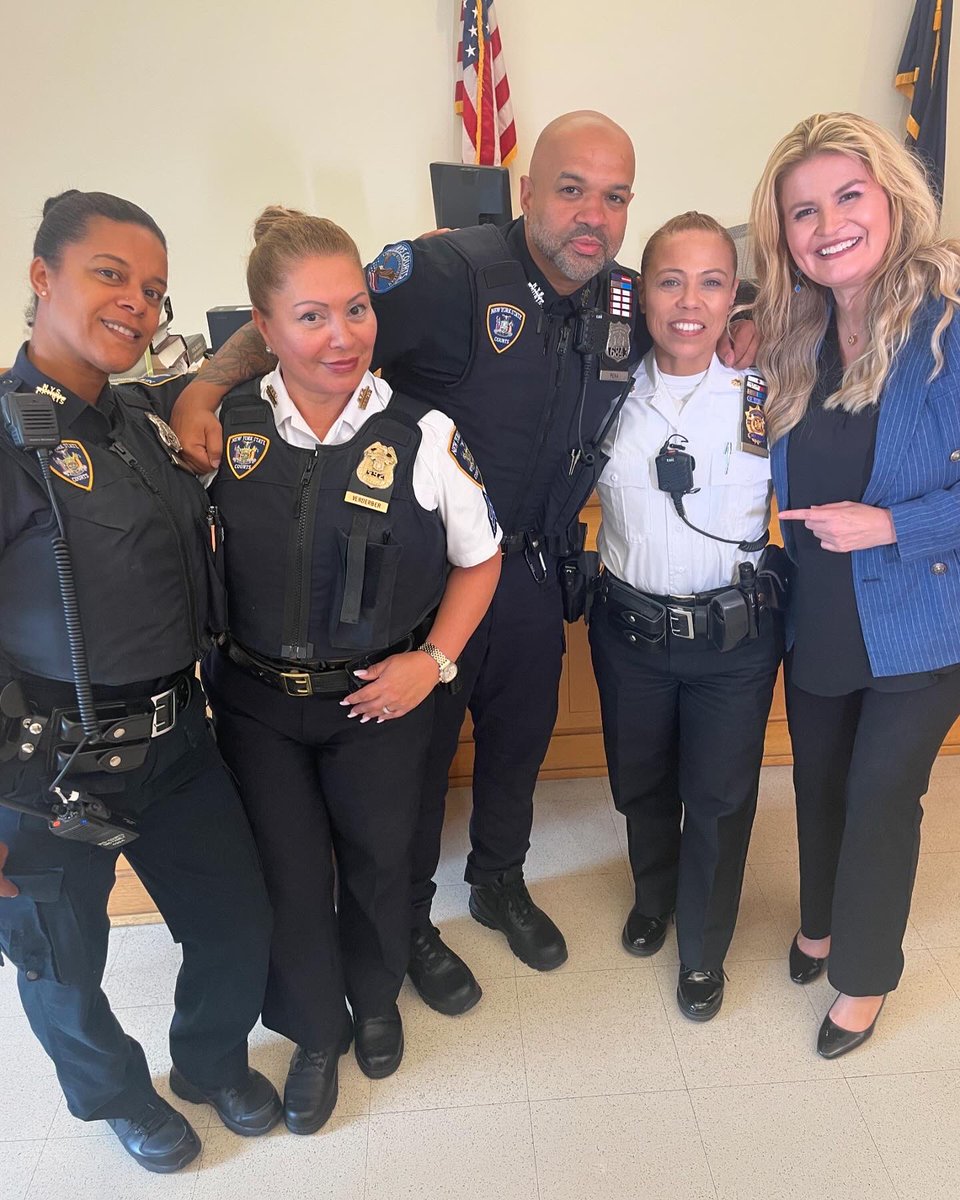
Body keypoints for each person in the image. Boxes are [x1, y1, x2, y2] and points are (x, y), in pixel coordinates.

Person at [171, 111, 757, 1018]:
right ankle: (406, 923)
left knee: (517, 750)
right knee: (414, 764)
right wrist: (208, 385)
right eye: (571, 190)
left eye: (614, 197)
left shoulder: (623, 298)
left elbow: (703, 312)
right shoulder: (448, 273)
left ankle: (498, 882)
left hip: (535, 572)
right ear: (528, 192)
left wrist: (742, 335)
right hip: (430, 579)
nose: (591, 216)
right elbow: (309, 312)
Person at [199, 208, 501, 1133]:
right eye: (312, 316)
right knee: (289, 874)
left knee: (379, 860)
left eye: (357, 309)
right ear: (264, 326)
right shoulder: (221, 429)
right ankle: (315, 1031)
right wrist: (193, 396)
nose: (343, 336)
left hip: (381, 696)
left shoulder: (423, 432)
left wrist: (434, 662)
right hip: (255, 703)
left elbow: (479, 557)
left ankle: (375, 1001)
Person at [0, 191, 281, 1173]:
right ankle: (118, 1097)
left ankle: (208, 1062)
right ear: (43, 276)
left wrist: (200, 392)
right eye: (110, 274)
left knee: (237, 924)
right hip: (47, 766)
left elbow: (259, 334)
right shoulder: (6, 438)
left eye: (154, 289)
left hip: (176, 742)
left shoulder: (143, 414)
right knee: (62, 966)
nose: (137, 303)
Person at [750, 112, 960, 1057]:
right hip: (821, 611)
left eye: (847, 196)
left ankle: (864, 977)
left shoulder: (948, 323)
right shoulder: (791, 338)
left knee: (882, 792)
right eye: (804, 210)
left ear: (889, 199)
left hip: (923, 611)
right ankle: (821, 919)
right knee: (821, 781)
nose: (827, 223)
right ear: (784, 234)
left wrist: (892, 524)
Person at [589, 212, 782, 1020]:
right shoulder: (599, 393)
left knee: (719, 797)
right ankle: (654, 895)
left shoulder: (769, 395)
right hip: (630, 633)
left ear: (734, 295)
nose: (690, 302)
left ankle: (702, 949)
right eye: (671, 280)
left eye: (711, 281)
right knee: (639, 784)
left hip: (732, 640)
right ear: (643, 291)